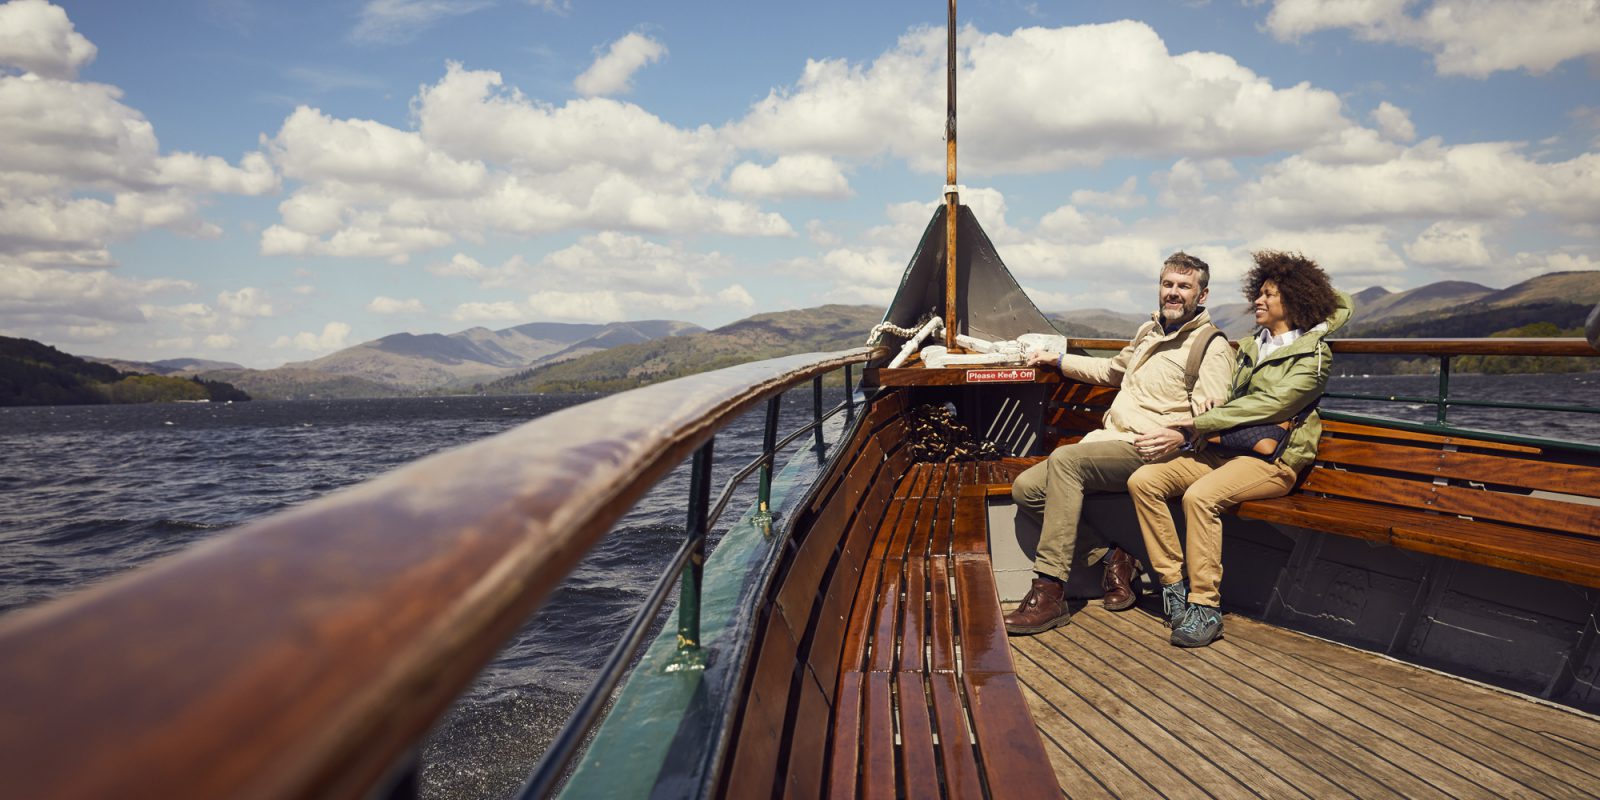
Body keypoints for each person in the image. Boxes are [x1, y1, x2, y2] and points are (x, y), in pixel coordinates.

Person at [1128, 250, 1351, 648]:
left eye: (1270, 295)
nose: (1258, 301)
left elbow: (1273, 405)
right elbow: (1233, 400)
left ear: (1295, 302)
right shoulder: (1249, 345)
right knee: (1145, 480)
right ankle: (1173, 586)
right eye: (1259, 293)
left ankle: (1205, 607)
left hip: (1274, 460)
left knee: (1199, 497)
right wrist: (1214, 404)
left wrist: (1199, 424)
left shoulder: (1315, 355)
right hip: (1229, 451)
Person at [1004, 252, 1234, 635]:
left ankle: (1049, 591)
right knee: (1026, 490)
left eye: (1183, 286)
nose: (1173, 293)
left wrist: (1182, 433)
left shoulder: (1210, 347)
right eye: (1168, 284)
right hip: (1110, 440)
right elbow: (1111, 371)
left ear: (1202, 294)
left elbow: (1214, 413)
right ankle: (1113, 557)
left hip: (1151, 448)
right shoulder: (1149, 332)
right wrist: (1057, 360)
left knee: (1067, 460)